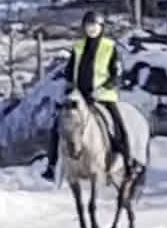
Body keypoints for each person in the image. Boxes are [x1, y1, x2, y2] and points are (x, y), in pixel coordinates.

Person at [42, 10, 130, 180]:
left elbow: (117, 75)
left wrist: (101, 90)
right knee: (57, 124)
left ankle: (128, 163)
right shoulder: (78, 47)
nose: (92, 29)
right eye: (89, 25)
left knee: (119, 126)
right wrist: (68, 87)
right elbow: (69, 71)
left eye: (95, 25)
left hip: (103, 97)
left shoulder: (110, 47)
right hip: (79, 97)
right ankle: (51, 166)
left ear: (101, 27)